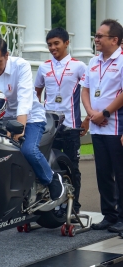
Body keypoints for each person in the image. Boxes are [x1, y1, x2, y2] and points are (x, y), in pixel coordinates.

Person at [0, 37, 65, 203]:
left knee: (28, 150)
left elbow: (25, 99)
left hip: (31, 118)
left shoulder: (21, 66)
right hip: (0, 120)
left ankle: (52, 179)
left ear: (7, 55)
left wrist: (20, 127)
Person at [34, 27, 89, 217]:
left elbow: (88, 91)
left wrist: (88, 118)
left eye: (56, 43)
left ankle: (73, 206)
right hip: (49, 125)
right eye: (49, 44)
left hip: (71, 125)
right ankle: (52, 204)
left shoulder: (79, 66)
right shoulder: (44, 67)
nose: (52, 47)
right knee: (49, 164)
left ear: (67, 43)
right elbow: (36, 92)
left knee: (72, 166)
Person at [80, 19, 123, 233]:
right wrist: (91, 113)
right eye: (96, 36)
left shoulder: (122, 60)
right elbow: (85, 90)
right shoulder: (93, 62)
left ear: (114, 39)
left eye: (100, 36)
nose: (96, 39)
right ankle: (110, 215)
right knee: (103, 173)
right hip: (98, 126)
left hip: (116, 126)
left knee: (121, 173)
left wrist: (105, 112)